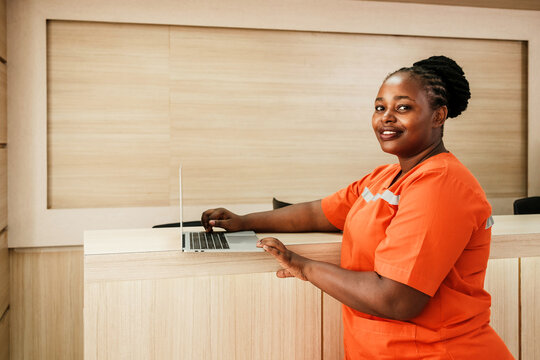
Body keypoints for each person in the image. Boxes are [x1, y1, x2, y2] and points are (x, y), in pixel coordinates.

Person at [201, 56, 514, 359]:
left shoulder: (442, 184)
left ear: (438, 116)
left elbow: (396, 298)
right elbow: (318, 212)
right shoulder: (385, 176)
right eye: (380, 108)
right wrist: (244, 221)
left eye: (403, 107)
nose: (386, 117)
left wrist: (305, 266)